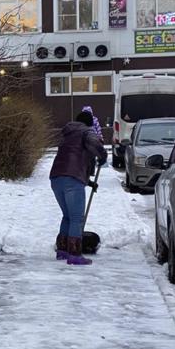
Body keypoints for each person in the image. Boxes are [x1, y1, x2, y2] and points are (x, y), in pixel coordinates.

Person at [50, 109, 108, 265]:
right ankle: (75, 255)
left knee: (67, 216)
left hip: (56, 178)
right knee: (76, 218)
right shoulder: (86, 131)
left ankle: (62, 251)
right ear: (89, 123)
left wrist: (88, 182)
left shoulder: (67, 134)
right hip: (72, 179)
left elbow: (72, 160)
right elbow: (95, 144)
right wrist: (103, 155)